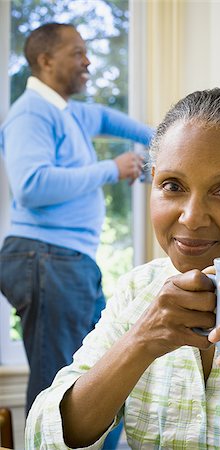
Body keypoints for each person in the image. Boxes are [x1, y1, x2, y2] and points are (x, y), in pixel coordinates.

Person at [25, 88, 220, 449]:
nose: (192, 217)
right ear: (153, 182)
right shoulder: (138, 290)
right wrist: (140, 342)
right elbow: (41, 441)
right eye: (172, 186)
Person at [0, 20, 153, 423]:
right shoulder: (30, 113)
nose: (88, 61)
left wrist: (173, 141)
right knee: (58, 389)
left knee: (101, 374)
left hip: (65, 261)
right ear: (45, 60)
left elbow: (116, 123)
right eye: (77, 53)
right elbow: (31, 186)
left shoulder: (69, 113)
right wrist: (112, 168)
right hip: (46, 257)